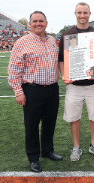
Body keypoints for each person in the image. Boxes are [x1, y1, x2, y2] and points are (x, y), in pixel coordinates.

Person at [8, 11, 62, 172]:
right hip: (32, 90)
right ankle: (33, 157)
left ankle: (47, 151)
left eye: (41, 21)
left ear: (46, 23)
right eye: (35, 21)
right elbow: (14, 70)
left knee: (49, 123)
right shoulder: (22, 42)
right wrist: (18, 91)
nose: (38, 24)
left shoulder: (52, 40)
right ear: (30, 24)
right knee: (31, 125)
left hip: (52, 89)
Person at [58, 2, 94, 161]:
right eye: (79, 12)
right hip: (74, 85)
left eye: (85, 12)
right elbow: (61, 60)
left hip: (93, 84)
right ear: (75, 14)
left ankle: (93, 143)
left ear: (90, 14)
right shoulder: (67, 34)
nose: (82, 15)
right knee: (74, 116)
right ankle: (76, 147)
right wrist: (64, 75)